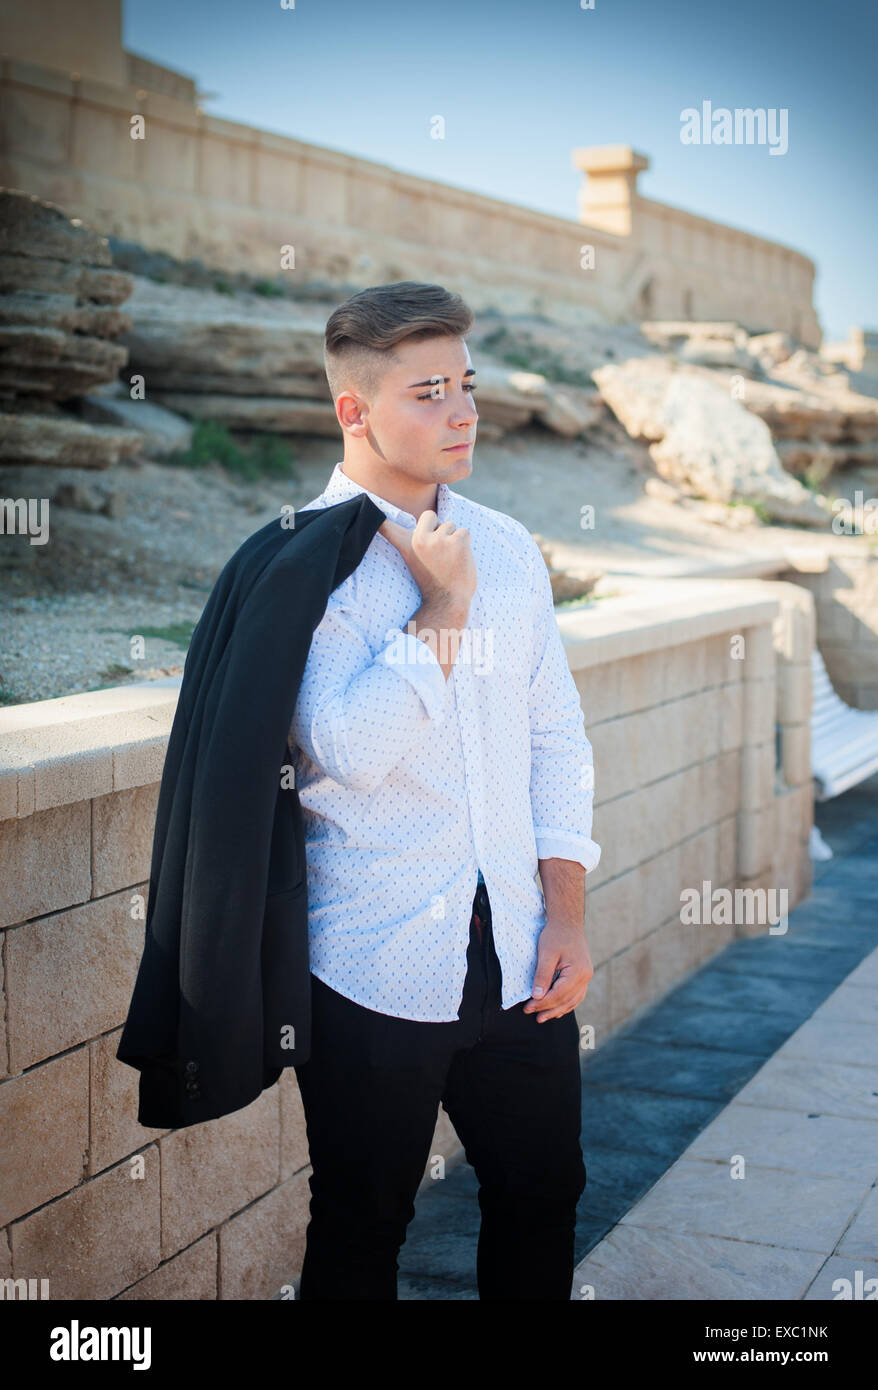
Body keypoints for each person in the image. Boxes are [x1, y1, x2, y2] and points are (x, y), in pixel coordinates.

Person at [289, 281, 601, 1301]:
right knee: (360, 1221)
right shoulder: (303, 561)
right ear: (354, 409)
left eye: (464, 385)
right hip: (368, 958)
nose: (461, 412)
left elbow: (553, 734)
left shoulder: (509, 547)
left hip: (518, 949)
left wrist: (565, 913)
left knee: (542, 1190)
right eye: (426, 391)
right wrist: (443, 607)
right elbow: (345, 746)